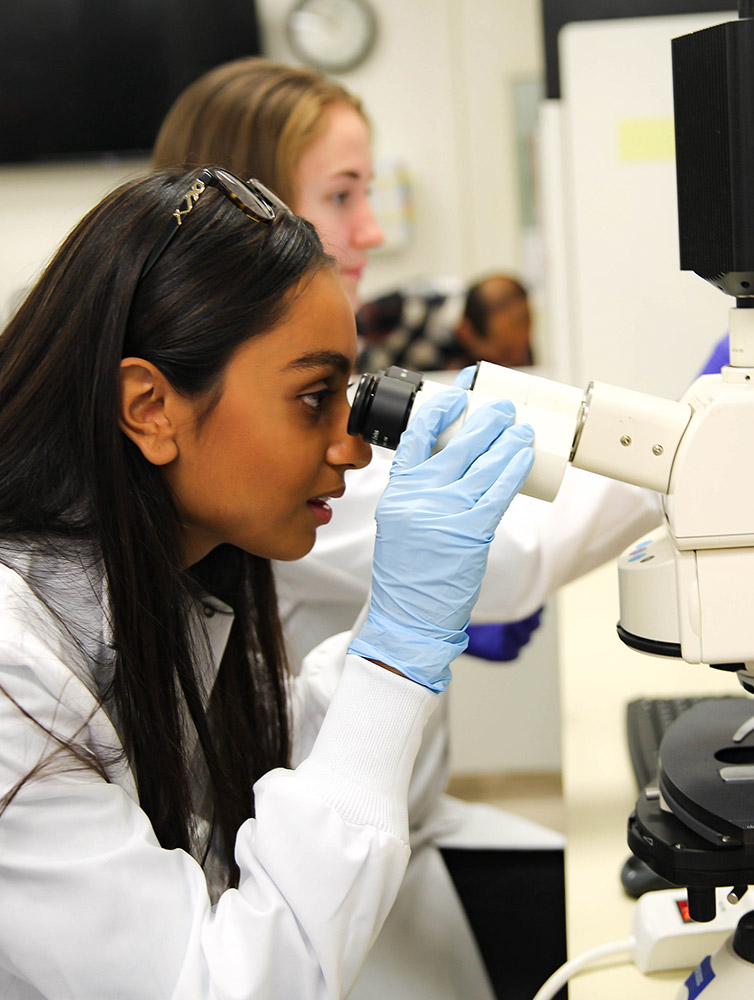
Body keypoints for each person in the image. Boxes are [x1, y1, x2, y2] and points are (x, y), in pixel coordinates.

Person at [152, 58, 663, 1000]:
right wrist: (682, 451)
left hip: (379, 828)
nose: (373, 230)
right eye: (341, 195)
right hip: (317, 878)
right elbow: (511, 564)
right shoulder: (251, 452)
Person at [0, 168, 534, 999]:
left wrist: (408, 627)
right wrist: (398, 649)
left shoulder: (160, 581)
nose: (353, 449)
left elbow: (276, 741)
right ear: (149, 406)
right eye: (313, 398)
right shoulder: (12, 669)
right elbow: (220, 987)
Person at [355, 272, 534, 374]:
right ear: (466, 332)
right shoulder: (411, 307)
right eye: (505, 353)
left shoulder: (514, 343)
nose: (516, 360)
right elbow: (347, 330)